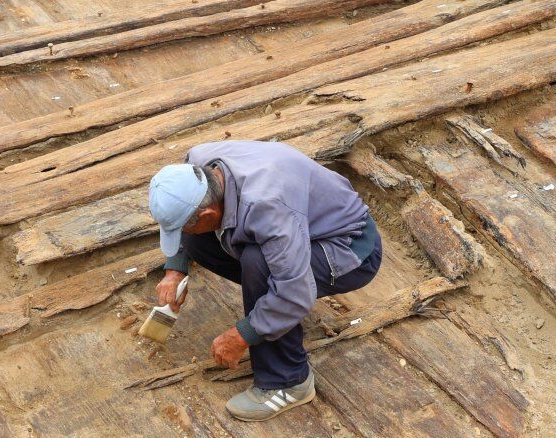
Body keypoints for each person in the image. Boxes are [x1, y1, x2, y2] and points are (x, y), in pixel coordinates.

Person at [148, 140, 383, 421]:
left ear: (207, 215)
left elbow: (294, 293)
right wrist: (175, 269)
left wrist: (243, 334)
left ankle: (288, 381)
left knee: (261, 264)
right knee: (199, 242)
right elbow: (191, 219)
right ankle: (273, 315)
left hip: (349, 248)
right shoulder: (198, 163)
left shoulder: (267, 208)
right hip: (298, 226)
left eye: (187, 223)